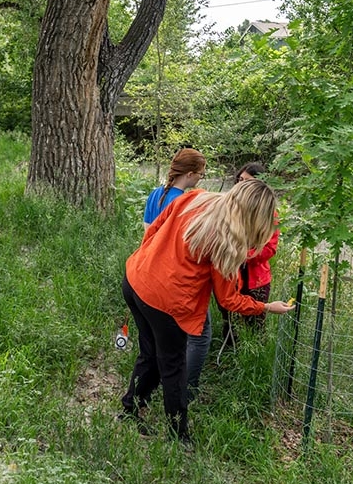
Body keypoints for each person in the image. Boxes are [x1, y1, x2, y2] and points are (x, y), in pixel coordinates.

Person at [121, 180, 293, 443]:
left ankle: (130, 408)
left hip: (135, 279)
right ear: (254, 217)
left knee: (151, 353)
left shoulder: (197, 198)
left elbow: (154, 229)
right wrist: (267, 307)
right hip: (166, 304)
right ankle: (179, 435)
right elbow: (229, 300)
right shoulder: (228, 242)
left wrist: (148, 261)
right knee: (173, 368)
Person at [142, 149, 211, 400]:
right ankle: (186, 389)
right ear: (190, 174)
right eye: (200, 175)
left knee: (155, 338)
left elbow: (147, 233)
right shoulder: (182, 202)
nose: (200, 180)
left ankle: (155, 382)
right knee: (199, 335)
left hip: (148, 273)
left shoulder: (155, 195)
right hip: (173, 277)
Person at [218, 162, 280, 350]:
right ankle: (230, 357)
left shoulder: (270, 213)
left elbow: (270, 248)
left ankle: (254, 360)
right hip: (229, 274)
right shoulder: (227, 207)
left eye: (247, 181)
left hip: (256, 278)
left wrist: (243, 255)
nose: (241, 184)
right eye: (240, 179)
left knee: (256, 323)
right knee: (229, 319)